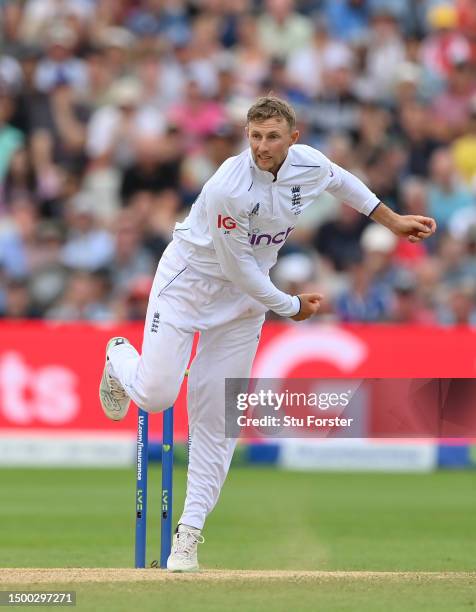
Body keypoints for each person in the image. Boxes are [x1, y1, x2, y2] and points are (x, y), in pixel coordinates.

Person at [99, 96, 436, 571]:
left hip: (240, 306)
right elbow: (239, 270)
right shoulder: (227, 187)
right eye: (254, 136)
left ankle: (187, 539)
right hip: (188, 288)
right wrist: (291, 306)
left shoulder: (308, 164)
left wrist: (393, 220)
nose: (261, 146)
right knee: (156, 397)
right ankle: (119, 358)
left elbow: (342, 182)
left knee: (217, 424)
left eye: (272, 137)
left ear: (292, 138)